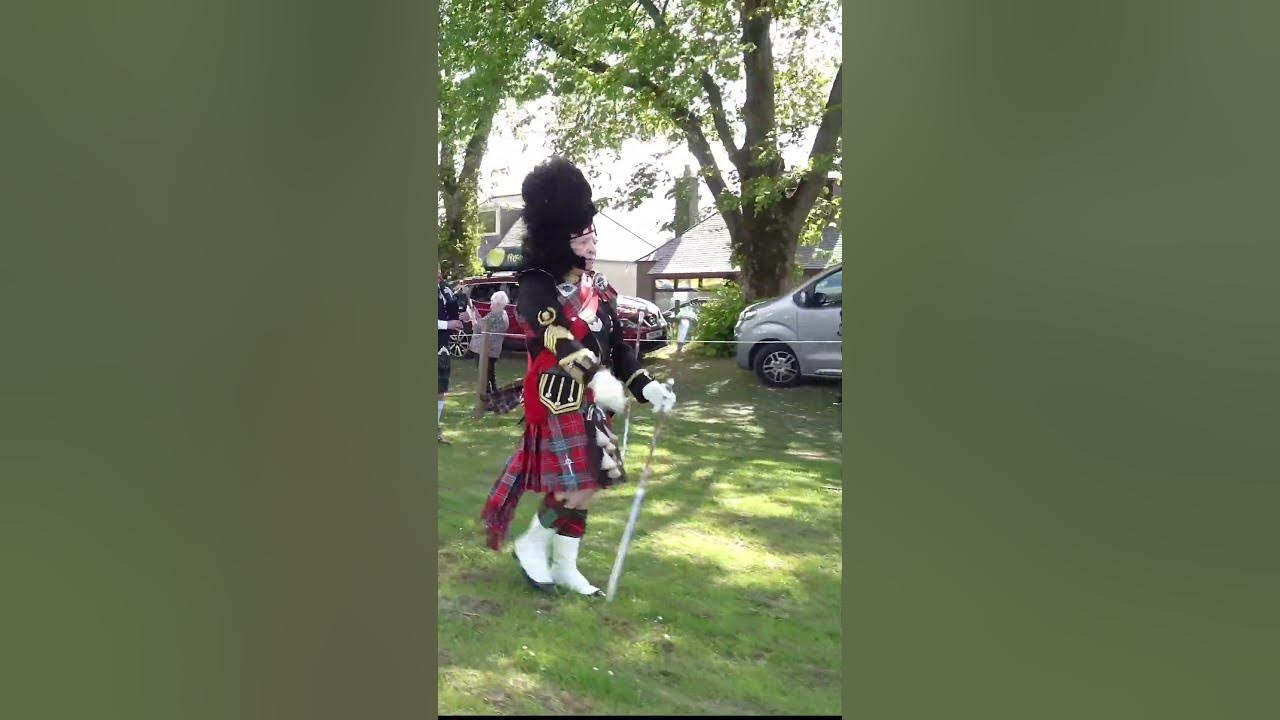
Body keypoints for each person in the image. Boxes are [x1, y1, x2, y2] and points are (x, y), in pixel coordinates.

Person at [480, 156, 677, 596]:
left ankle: (565, 564)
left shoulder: (600, 287)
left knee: (593, 483)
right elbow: (555, 337)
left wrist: (647, 387)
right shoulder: (534, 283)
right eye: (581, 237)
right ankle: (533, 544)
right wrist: (596, 377)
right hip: (559, 399)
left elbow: (620, 346)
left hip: (592, 400)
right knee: (578, 483)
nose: (590, 244)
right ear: (558, 238)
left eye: (591, 235)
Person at [437, 266, 466, 444]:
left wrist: (462, 317)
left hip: (443, 348)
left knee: (440, 391)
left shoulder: (444, 289)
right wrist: (448, 324)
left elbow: (453, 312)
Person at [468, 290, 510, 395]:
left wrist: (473, 318)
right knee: (490, 376)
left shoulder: (496, 316)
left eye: (492, 302)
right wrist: (477, 315)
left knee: (485, 376)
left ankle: (486, 400)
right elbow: (483, 325)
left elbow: (478, 328)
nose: (491, 304)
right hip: (491, 350)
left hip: (486, 350)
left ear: (498, 304)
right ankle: (494, 397)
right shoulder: (501, 314)